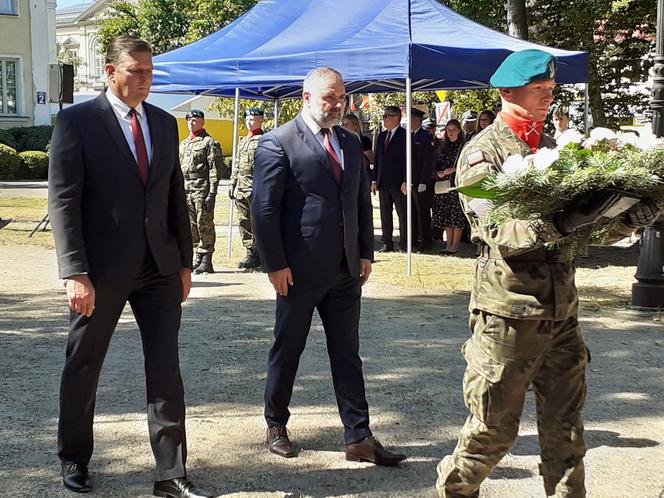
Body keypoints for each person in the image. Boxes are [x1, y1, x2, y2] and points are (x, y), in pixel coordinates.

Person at [435, 49, 661, 498]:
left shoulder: (551, 152)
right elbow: (499, 230)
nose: (547, 98)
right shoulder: (482, 154)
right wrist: (562, 221)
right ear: (506, 93)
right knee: (492, 434)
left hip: (562, 314)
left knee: (567, 435)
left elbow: (580, 234)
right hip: (509, 317)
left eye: (551, 91)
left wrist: (629, 218)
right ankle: (456, 490)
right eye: (538, 90)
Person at [48, 36, 213, 498]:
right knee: (84, 364)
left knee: (165, 368)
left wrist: (184, 261)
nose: (145, 80)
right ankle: (75, 457)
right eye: (135, 71)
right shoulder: (77, 122)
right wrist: (75, 271)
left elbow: (174, 195)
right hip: (99, 271)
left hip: (158, 268)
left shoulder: (164, 124)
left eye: (150, 72)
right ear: (109, 71)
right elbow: (64, 201)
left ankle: (171, 473)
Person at [252, 67, 406, 467]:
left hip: (344, 270)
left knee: (347, 353)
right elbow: (264, 210)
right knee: (288, 348)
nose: (338, 105)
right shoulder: (278, 142)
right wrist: (275, 264)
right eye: (329, 98)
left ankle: (358, 437)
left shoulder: (351, 143)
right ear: (306, 97)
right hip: (298, 271)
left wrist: (365, 253)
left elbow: (357, 202)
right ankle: (276, 424)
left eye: (341, 97)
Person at [179, 109, 222, 274]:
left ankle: (207, 259)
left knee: (204, 222)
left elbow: (215, 170)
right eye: (189, 120)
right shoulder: (184, 144)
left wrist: (212, 192)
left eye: (195, 120)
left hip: (202, 188)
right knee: (191, 225)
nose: (192, 123)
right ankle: (198, 255)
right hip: (186, 188)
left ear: (203, 122)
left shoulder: (209, 142)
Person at [229, 107, 265, 270]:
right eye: (248, 119)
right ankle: (250, 251)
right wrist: (232, 183)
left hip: (256, 186)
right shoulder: (243, 141)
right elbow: (236, 164)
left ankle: (261, 253)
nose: (250, 122)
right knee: (244, 221)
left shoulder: (265, 140)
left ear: (261, 120)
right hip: (241, 187)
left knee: (258, 221)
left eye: (254, 119)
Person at [371, 105, 407, 252]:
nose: (384, 119)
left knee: (402, 214)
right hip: (383, 181)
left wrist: (406, 179)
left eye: (387, 116)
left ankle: (404, 243)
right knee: (385, 214)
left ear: (396, 118)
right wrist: (374, 180)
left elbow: (407, 159)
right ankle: (387, 243)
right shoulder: (381, 136)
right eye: (384, 116)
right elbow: (377, 159)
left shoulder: (404, 135)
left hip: (398, 182)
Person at [431, 119, 465, 253]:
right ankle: (448, 244)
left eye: (453, 129)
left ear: (459, 131)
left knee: (456, 215)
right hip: (443, 184)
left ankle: (455, 245)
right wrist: (438, 173)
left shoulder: (463, 146)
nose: (450, 132)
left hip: (456, 184)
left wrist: (454, 170)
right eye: (448, 130)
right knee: (446, 215)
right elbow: (435, 166)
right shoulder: (442, 147)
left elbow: (467, 165)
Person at [410, 108, 435, 251]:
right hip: (411, 180)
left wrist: (424, 181)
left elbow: (427, 161)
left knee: (423, 213)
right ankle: (413, 239)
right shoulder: (410, 136)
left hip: (421, 181)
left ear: (418, 120)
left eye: (413, 119)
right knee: (412, 212)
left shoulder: (426, 137)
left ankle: (427, 241)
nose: (411, 122)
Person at [342, 112, 374, 178]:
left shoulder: (364, 140)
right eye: (343, 124)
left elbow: (370, 160)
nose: (344, 126)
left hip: (361, 176)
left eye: (347, 124)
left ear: (355, 125)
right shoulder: (342, 140)